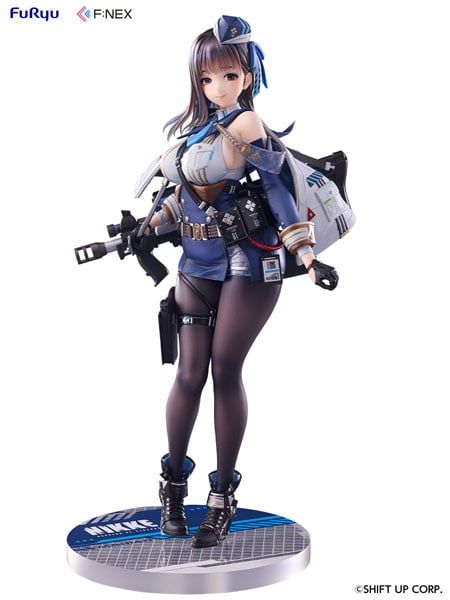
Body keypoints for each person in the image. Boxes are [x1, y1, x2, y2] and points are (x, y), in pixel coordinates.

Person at [136, 15, 339, 549]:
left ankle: (221, 496)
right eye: (207, 78)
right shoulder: (192, 132)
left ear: (248, 75)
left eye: (229, 76)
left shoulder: (248, 126)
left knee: (225, 370)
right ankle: (172, 487)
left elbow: (278, 192)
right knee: (188, 374)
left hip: (249, 263)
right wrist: (147, 228)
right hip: (195, 263)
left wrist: (307, 256)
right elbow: (181, 197)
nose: (218, 87)